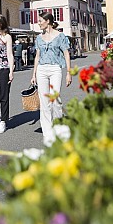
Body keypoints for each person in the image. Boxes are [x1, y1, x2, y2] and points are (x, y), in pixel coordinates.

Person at [31, 11, 71, 145]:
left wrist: (68, 73)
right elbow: (37, 56)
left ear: (47, 21)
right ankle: (47, 133)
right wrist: (34, 74)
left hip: (55, 68)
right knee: (44, 102)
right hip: (42, 69)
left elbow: (66, 54)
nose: (38, 23)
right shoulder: (38, 38)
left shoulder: (60, 36)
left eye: (40, 21)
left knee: (55, 98)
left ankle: (58, 128)